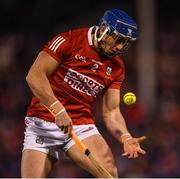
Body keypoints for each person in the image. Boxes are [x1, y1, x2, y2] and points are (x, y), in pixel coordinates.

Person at [21, 9, 146, 178]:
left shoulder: (117, 67)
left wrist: (125, 137)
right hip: (43, 122)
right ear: (103, 29)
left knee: (110, 173)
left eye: (125, 43)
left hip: (81, 126)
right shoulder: (69, 40)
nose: (120, 47)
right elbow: (34, 76)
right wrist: (58, 110)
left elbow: (111, 112)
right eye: (118, 39)